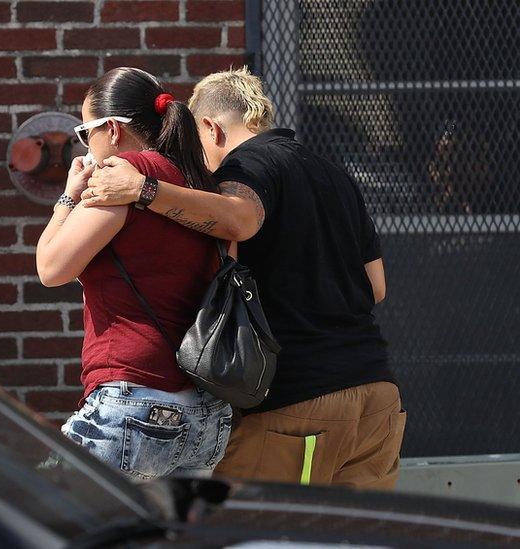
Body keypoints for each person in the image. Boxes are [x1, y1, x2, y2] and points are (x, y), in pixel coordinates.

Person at [81, 67, 403, 490]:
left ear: (211, 128)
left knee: (251, 533)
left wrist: (145, 189)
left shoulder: (248, 164)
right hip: (377, 399)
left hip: (297, 404)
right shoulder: (335, 175)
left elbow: (241, 219)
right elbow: (375, 286)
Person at [36, 68, 232, 479]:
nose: (84, 145)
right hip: (206, 412)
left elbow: (51, 267)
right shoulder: (195, 180)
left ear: (111, 129)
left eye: (83, 131)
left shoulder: (119, 179)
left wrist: (69, 195)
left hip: (133, 399)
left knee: (42, 519)